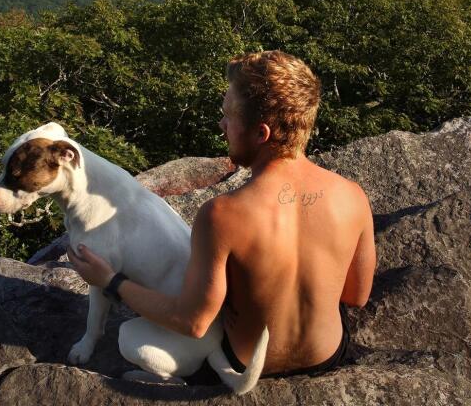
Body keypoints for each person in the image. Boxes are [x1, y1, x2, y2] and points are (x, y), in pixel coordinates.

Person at [69, 50, 376, 379]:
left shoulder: (222, 215)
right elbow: (356, 296)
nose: (222, 125)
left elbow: (194, 323)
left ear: (261, 134)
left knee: (131, 338)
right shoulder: (352, 197)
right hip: (325, 356)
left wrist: (111, 281)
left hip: (246, 368)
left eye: (229, 116)